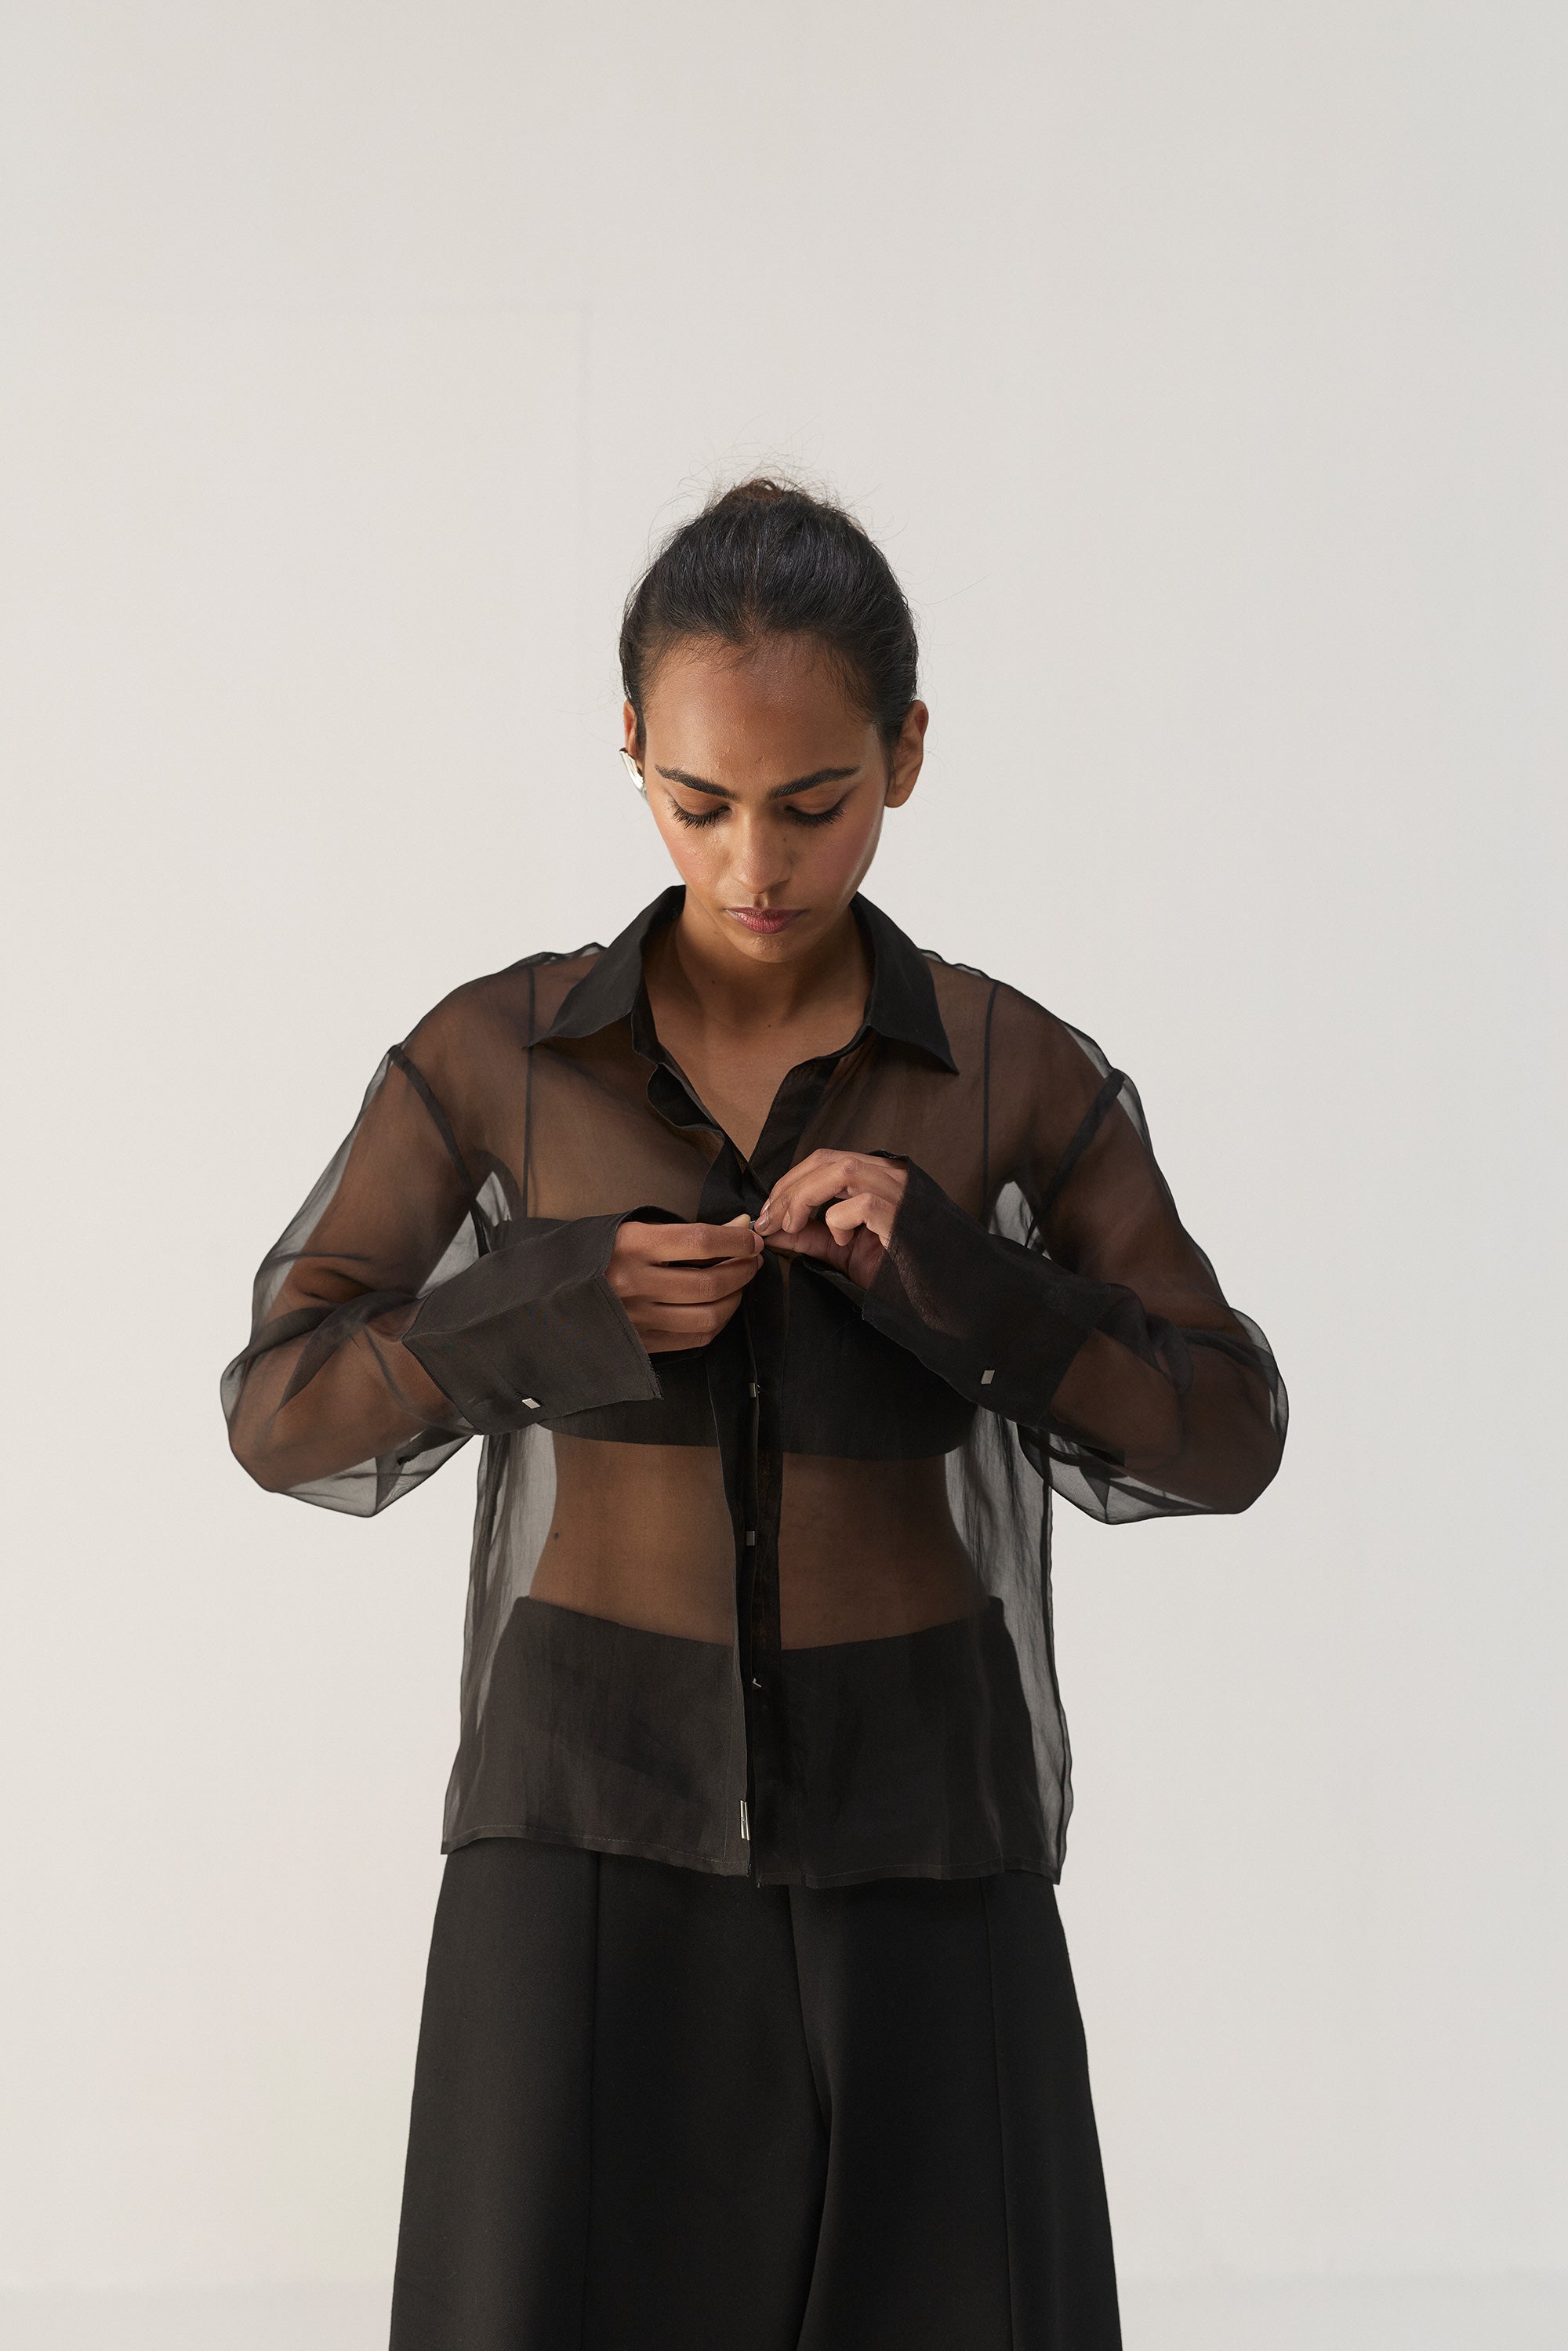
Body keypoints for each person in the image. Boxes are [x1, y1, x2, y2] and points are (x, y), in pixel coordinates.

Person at [223, 477, 1287, 2350]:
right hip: (581, 1823)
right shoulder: (497, 1059)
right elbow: (281, 1409)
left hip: (925, 1828)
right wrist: (546, 1305)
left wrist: (960, 1278)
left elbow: (1225, 1431)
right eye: (696, 801)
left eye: (814, 804)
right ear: (632, 746)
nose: (754, 865)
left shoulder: (1010, 1069)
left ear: (907, 756)